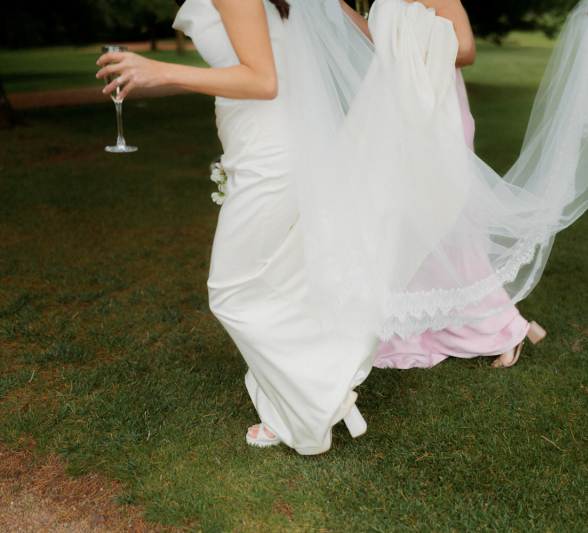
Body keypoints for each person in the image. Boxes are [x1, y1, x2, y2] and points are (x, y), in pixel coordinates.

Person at [97, 0, 379, 455]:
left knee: (231, 291)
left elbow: (262, 80)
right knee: (276, 278)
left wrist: (160, 72)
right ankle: (292, 404)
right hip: (262, 145)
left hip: (272, 151)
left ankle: (317, 398)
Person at [374, 5, 546, 370]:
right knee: (409, 224)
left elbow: (466, 50)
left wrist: (410, 44)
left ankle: (503, 327)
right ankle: (417, 325)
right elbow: (378, 39)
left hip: (439, 115)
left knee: (452, 225)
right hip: (400, 115)